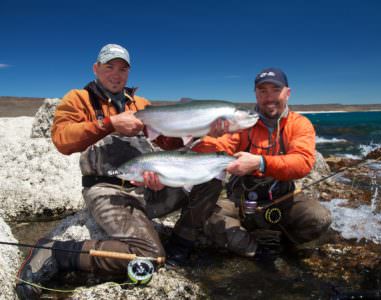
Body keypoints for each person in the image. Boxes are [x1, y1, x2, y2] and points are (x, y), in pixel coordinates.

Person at [16, 44, 226, 299]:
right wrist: (109, 123)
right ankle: (57, 251)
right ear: (96, 68)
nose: (116, 74)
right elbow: (62, 140)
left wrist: (200, 132)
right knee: (150, 257)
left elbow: (168, 144)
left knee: (210, 178)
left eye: (123, 69)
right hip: (108, 190)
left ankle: (181, 243)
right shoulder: (78, 99)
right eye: (109, 67)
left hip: (146, 186)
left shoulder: (140, 103)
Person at [191, 67, 332, 259]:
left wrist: (260, 163)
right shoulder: (240, 125)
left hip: (283, 200)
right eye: (262, 91)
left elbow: (303, 162)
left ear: (287, 93)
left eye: (275, 90)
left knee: (318, 218)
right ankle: (257, 250)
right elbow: (213, 149)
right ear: (255, 94)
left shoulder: (300, 124)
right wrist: (205, 134)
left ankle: (285, 244)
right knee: (206, 215)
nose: (269, 97)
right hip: (240, 201)